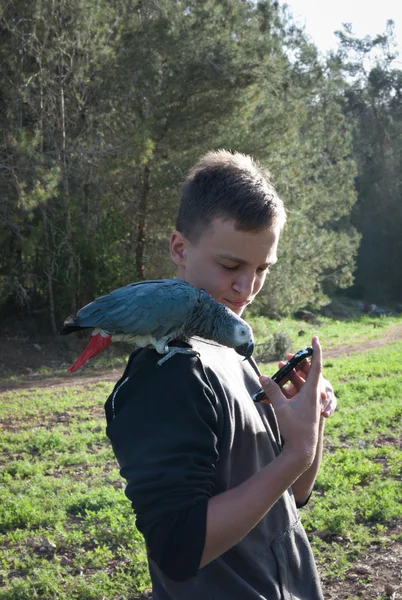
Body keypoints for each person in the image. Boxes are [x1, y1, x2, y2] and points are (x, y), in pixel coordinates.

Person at [104, 150, 337, 599]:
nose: (246, 288)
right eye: (231, 266)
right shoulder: (168, 374)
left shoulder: (231, 347)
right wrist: (296, 454)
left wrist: (307, 427)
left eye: (261, 269)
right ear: (179, 248)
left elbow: (294, 493)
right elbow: (176, 548)